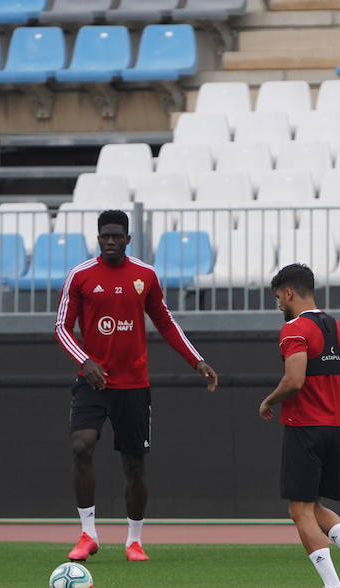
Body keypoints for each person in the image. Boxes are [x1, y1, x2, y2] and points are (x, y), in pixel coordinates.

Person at [54, 210, 218, 563]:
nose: (110, 241)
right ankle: (88, 534)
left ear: (128, 240)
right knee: (82, 445)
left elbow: (165, 321)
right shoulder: (80, 276)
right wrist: (85, 361)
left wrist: (197, 360)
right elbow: (62, 328)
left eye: (117, 236)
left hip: (133, 385)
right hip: (91, 382)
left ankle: (134, 540)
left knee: (134, 464)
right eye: (104, 236)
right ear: (98, 239)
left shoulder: (145, 275)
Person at [259, 263, 340, 588]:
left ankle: (332, 586)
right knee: (313, 506)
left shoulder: (294, 329)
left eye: (279, 297)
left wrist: (268, 400)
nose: (279, 304)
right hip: (332, 428)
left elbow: (294, 380)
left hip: (303, 428)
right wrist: (325, 403)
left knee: (298, 511)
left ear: (290, 293)